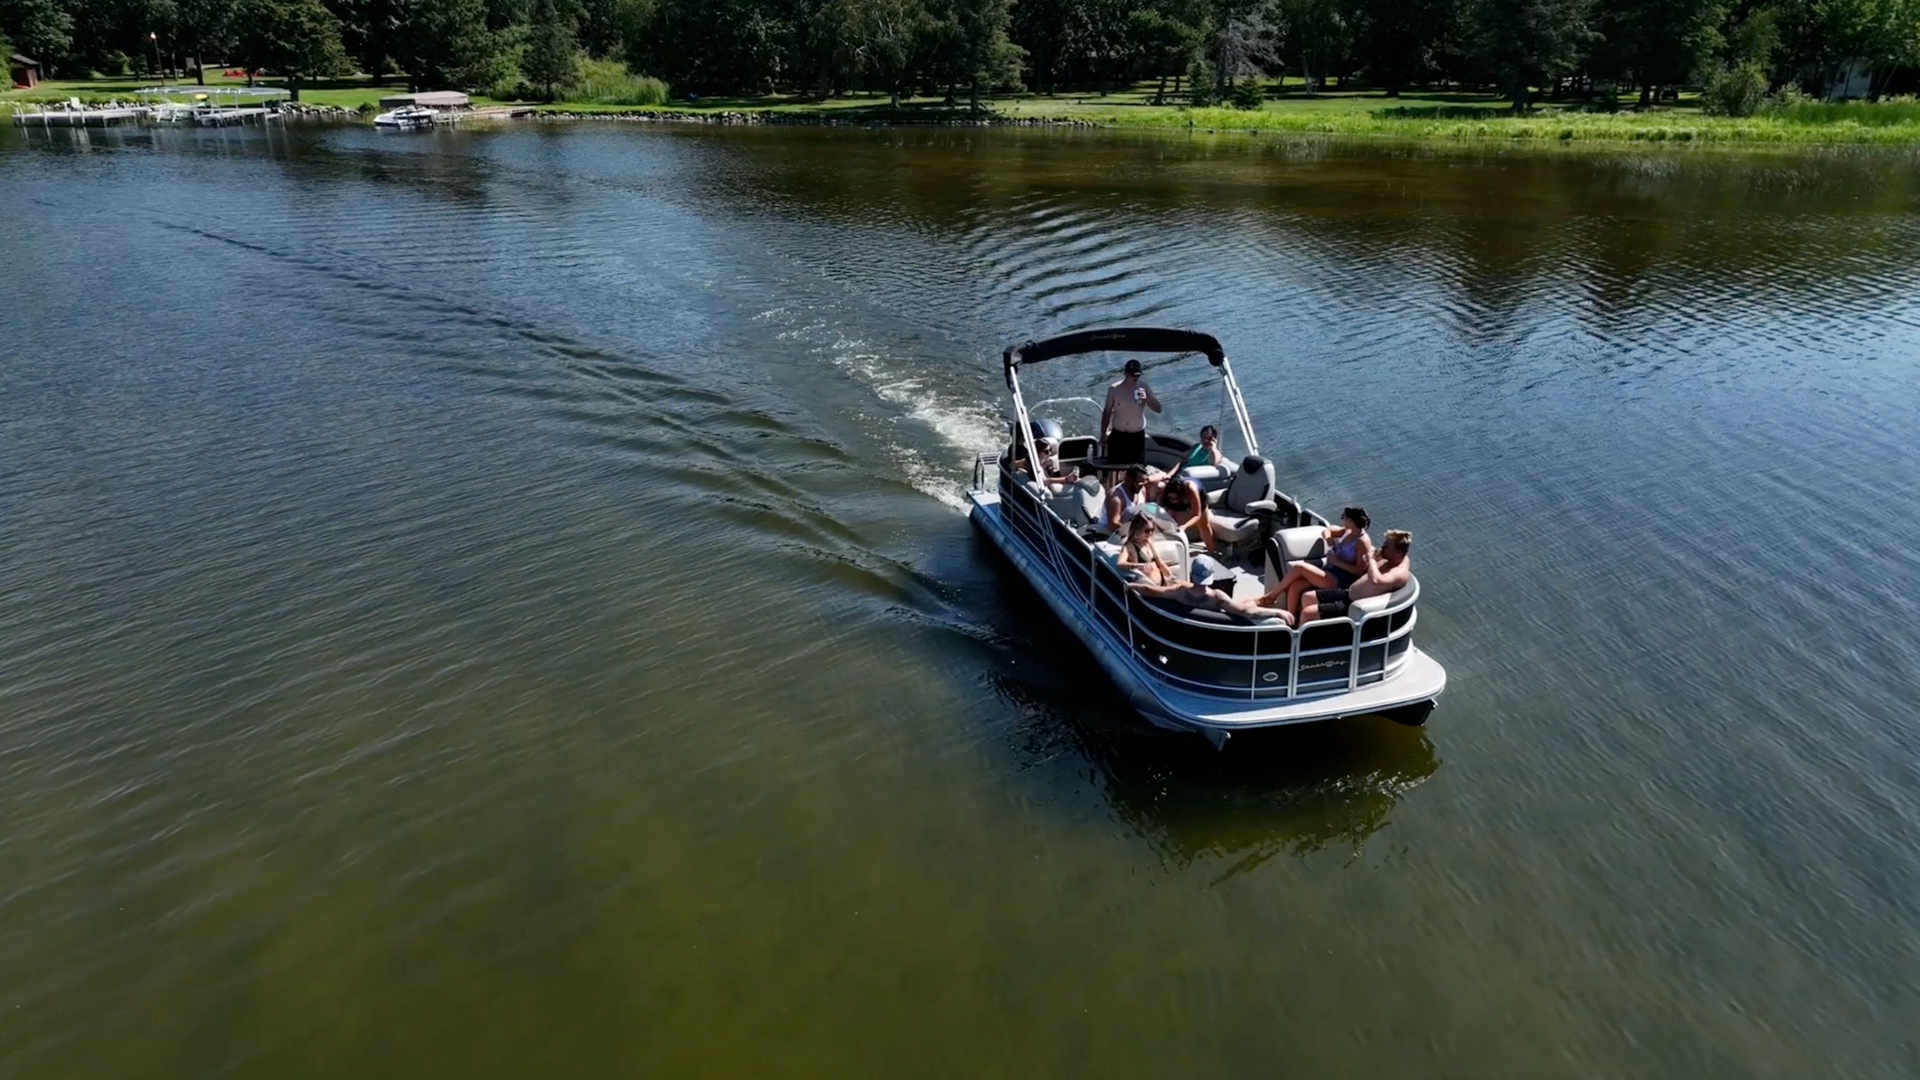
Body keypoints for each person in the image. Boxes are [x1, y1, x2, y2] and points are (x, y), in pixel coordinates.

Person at [1120, 516, 1290, 621]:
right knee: (1243, 603)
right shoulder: (1217, 597)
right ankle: (1260, 600)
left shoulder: (1178, 592)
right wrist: (1276, 614)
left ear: (1192, 575)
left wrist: (1131, 586)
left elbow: (1151, 591)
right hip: (1218, 620)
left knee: (1245, 603)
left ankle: (1259, 600)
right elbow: (1245, 612)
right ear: (1210, 577)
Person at [1253, 507, 1374, 620]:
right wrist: (1328, 539)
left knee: (1300, 567)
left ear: (1351, 521)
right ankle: (1291, 620)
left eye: (1343, 517)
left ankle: (1272, 596)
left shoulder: (1362, 542)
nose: (1342, 519)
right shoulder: (1347, 531)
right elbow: (1328, 530)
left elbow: (1359, 570)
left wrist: (1338, 562)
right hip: (1330, 570)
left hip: (1340, 579)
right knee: (1296, 585)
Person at [1299, 530, 1414, 623]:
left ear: (1398, 552)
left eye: (1387, 546)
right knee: (1307, 596)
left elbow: (1376, 580)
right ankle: (1311, 628)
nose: (1382, 548)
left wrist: (1372, 560)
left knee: (1307, 613)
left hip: (1352, 605)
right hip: (1347, 593)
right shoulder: (1392, 558)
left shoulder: (1399, 572)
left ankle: (1300, 642)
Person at [1100, 358, 1161, 465]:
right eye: (1133, 375)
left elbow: (1158, 409)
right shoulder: (1114, 389)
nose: (1135, 378)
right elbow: (1107, 412)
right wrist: (1103, 433)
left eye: (1138, 375)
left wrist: (1147, 399)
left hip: (1136, 436)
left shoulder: (1143, 387)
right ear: (1126, 374)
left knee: (1136, 469)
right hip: (1118, 435)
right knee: (1114, 465)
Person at [1157, 471, 1215, 551]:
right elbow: (1159, 506)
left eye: (1175, 498)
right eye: (1171, 498)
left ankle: (1211, 550)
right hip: (1178, 497)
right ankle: (1174, 550)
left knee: (1203, 525)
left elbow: (1196, 515)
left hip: (1196, 496)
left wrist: (1185, 526)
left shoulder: (1191, 489)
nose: (1173, 500)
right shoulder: (1166, 489)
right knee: (1172, 524)